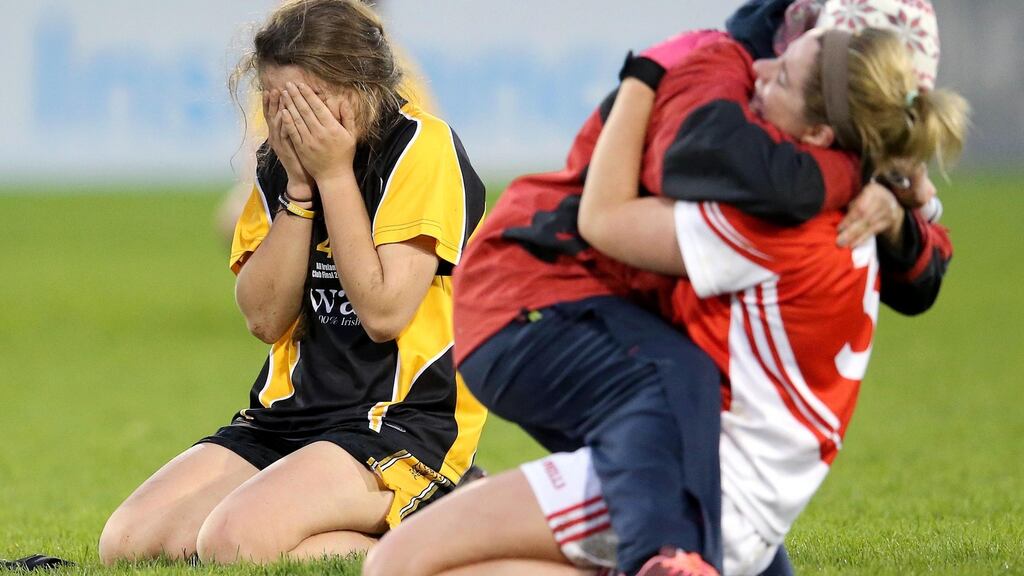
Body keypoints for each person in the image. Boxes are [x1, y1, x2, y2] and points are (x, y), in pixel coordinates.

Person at [365, 16, 966, 576]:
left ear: (818, 132)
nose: (757, 73)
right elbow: (921, 263)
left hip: (684, 479)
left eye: (781, 75)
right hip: (734, 490)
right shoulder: (859, 206)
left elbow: (603, 220)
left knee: (395, 564)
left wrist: (643, 75)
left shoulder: (773, 222)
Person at [99, 0, 487, 565]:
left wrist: (332, 175)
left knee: (232, 544)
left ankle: (442, 521)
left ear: (359, 86)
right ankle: (372, 527)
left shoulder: (421, 150)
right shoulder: (280, 161)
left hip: (398, 422)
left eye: (307, 102)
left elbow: (383, 314)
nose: (292, 121)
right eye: (277, 103)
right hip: (292, 412)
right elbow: (264, 320)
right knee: (131, 545)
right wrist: (300, 193)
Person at [215, 0, 438, 242]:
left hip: (384, 191)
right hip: (325, 180)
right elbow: (262, 155)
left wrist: (332, 177)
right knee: (241, 213)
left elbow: (420, 149)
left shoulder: (390, 75)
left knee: (241, 213)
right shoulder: (285, 61)